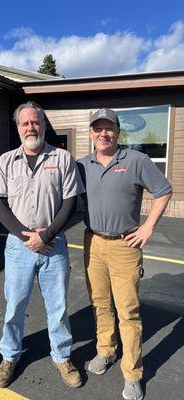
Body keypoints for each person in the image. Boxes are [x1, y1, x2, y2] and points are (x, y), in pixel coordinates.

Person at [77, 108, 172, 400]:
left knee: (128, 311)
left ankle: (132, 373)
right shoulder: (81, 165)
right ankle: (106, 351)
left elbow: (163, 191)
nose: (103, 134)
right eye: (98, 129)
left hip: (125, 246)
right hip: (93, 243)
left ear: (118, 132)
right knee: (100, 303)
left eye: (109, 128)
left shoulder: (136, 160)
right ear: (91, 133)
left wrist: (148, 228)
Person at [0, 101, 84, 389]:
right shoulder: (5, 161)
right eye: (25, 123)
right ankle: (9, 356)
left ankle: (62, 356)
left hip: (53, 245)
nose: (31, 127)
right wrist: (26, 236)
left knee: (57, 307)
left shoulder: (63, 158)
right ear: (18, 127)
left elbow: (71, 202)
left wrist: (46, 234)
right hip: (19, 248)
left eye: (36, 122)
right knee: (14, 306)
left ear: (43, 125)